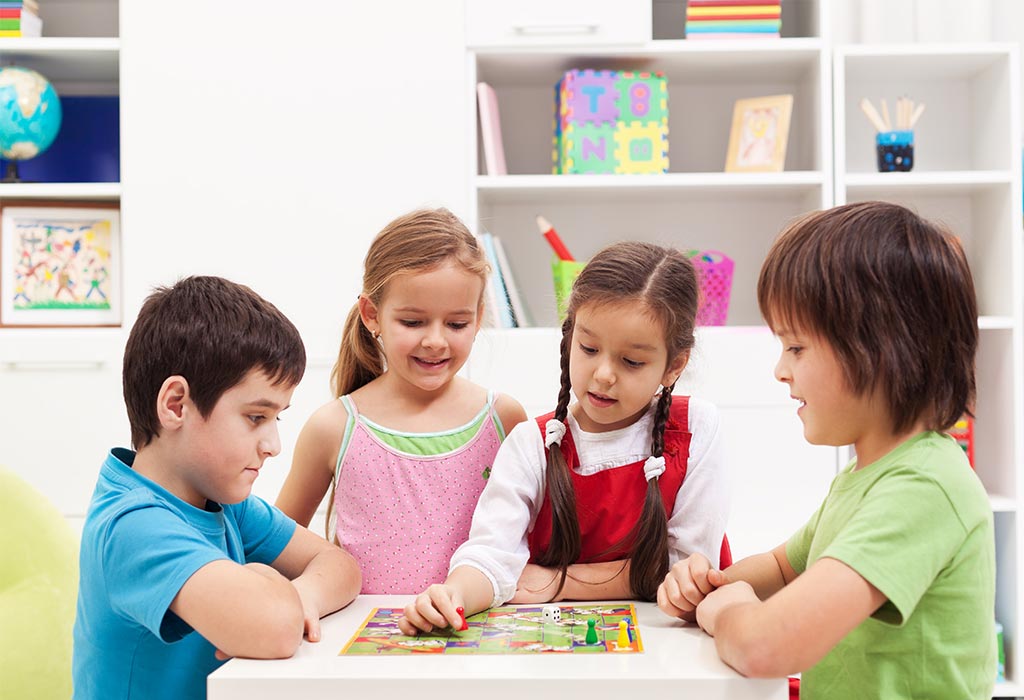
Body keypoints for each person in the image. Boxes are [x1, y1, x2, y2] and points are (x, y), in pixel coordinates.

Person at [657, 201, 996, 699]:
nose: (780, 370)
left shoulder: (923, 489)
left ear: (880, 350)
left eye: (796, 348)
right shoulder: (866, 478)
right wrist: (708, 586)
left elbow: (765, 648)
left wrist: (728, 609)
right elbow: (780, 567)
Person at [399, 240, 730, 634]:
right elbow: (492, 556)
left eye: (632, 361)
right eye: (589, 348)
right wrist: (452, 595)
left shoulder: (696, 427)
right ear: (569, 337)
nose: (604, 374)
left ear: (674, 366)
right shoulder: (530, 444)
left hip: (673, 645)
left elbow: (683, 571)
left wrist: (557, 581)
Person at [72, 276, 361, 700]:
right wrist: (263, 581)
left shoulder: (222, 503)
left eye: (276, 418)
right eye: (256, 417)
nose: (273, 446)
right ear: (176, 405)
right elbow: (275, 630)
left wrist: (299, 595)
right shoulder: (131, 525)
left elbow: (341, 566)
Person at [275, 207, 526, 594]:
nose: (436, 341)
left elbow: (528, 544)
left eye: (457, 324)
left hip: (478, 639)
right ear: (371, 314)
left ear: (478, 317)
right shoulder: (334, 427)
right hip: (364, 646)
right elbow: (273, 548)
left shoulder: (504, 419)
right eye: (413, 322)